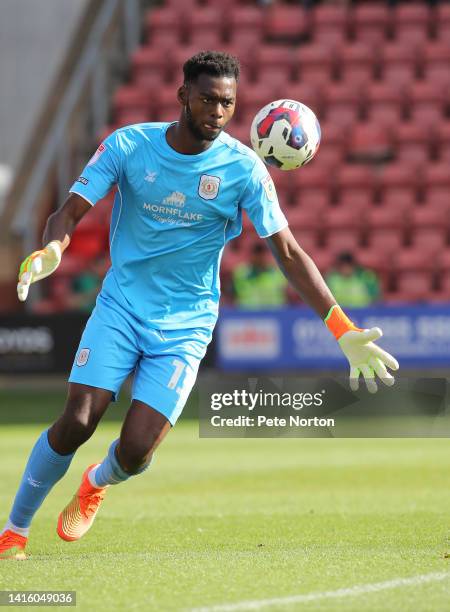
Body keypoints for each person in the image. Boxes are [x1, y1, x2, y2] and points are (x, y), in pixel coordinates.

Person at [1, 51, 399, 559]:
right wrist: (52, 249)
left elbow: (289, 252)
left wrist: (341, 328)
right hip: (120, 308)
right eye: (207, 99)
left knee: (136, 451)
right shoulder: (130, 144)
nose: (216, 111)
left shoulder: (244, 170)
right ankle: (14, 529)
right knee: (78, 419)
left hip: (187, 326)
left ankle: (97, 481)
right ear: (182, 95)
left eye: (227, 103)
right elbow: (69, 209)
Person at [232, 242, 288, 308]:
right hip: (247, 314)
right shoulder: (241, 273)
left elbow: (286, 295)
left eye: (261, 255)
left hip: (274, 313)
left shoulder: (278, 274)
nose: (258, 258)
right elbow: (233, 294)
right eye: (256, 255)